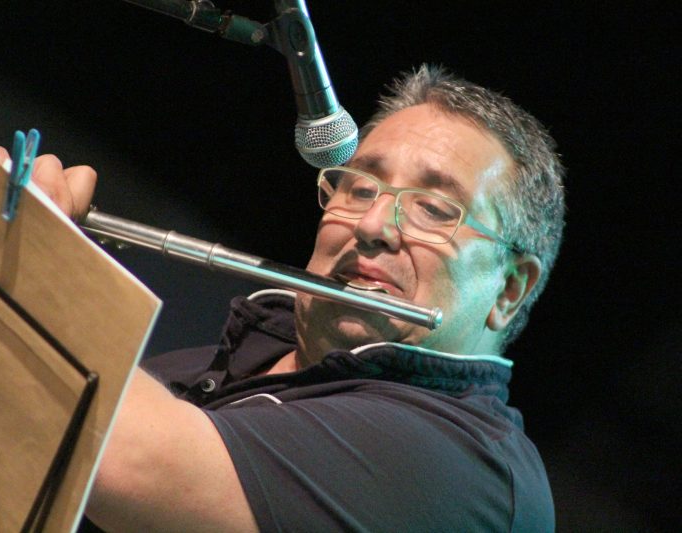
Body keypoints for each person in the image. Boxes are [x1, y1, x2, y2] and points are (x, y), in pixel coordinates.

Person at [34, 64, 565, 532]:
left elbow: (126, 463)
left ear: (510, 289)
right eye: (360, 188)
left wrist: (30, 248)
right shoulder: (209, 362)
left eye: (433, 208)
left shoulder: (466, 465)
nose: (372, 225)